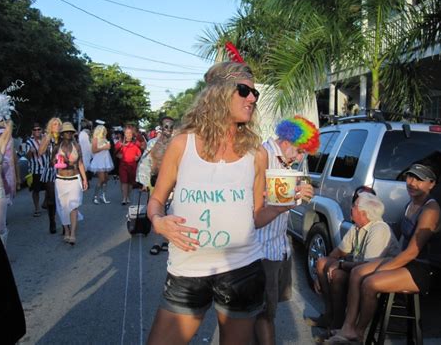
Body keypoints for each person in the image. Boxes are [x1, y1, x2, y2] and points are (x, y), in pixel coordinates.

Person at [145, 61, 310, 344]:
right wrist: (159, 223)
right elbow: (156, 200)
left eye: (255, 94)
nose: (252, 99)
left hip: (242, 270)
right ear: (218, 93)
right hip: (188, 269)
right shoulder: (182, 145)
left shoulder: (256, 153)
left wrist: (286, 203)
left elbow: (256, 216)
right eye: (244, 90)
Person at [326, 162, 441, 344]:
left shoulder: (430, 210)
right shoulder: (410, 205)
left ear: (431, 184)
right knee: (358, 272)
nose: (412, 183)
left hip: (423, 268)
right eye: (410, 177)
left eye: (419, 180)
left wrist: (384, 268)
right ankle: (347, 327)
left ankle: (359, 332)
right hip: (407, 262)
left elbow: (412, 252)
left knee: (370, 282)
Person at [254, 116, 317, 345]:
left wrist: (296, 192)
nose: (300, 158)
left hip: (278, 247)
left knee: (268, 309)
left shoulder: (284, 163)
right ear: (286, 140)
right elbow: (249, 196)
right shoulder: (263, 155)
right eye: (299, 151)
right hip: (261, 248)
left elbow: (279, 200)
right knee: (264, 313)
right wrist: (288, 195)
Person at [309, 189, 399, 333]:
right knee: (321, 262)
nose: (351, 207)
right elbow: (338, 252)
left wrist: (340, 265)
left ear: (364, 213)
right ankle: (329, 315)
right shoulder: (357, 227)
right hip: (358, 270)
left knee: (337, 275)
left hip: (374, 274)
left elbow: (368, 266)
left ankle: (338, 323)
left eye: (355, 205)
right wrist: (322, 273)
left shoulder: (379, 229)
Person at [136, 116, 175, 255]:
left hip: (174, 182)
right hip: (155, 181)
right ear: (161, 127)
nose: (168, 129)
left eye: (171, 126)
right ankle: (156, 242)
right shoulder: (152, 143)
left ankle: (166, 240)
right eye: (166, 126)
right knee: (157, 211)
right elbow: (145, 162)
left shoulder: (177, 144)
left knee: (170, 211)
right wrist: (144, 182)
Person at [53, 122, 88, 245]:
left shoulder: (77, 146)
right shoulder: (57, 146)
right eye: (66, 132)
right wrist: (59, 161)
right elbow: (51, 162)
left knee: (74, 206)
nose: (69, 133)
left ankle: (72, 233)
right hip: (60, 180)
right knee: (63, 208)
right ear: (62, 134)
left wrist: (84, 179)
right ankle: (66, 230)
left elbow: (80, 163)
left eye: (70, 132)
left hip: (74, 179)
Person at [38, 117, 62, 234]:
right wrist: (47, 140)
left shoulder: (63, 138)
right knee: (52, 198)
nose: (56, 126)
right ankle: (52, 222)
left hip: (63, 171)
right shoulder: (47, 137)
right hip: (50, 170)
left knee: (63, 199)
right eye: (54, 124)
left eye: (58, 124)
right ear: (50, 127)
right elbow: (40, 152)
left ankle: (65, 224)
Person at [114, 125, 143, 205]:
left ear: (132, 134)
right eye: (127, 133)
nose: (128, 135)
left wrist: (138, 157)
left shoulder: (136, 143)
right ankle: (124, 198)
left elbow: (140, 152)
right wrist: (118, 155)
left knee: (130, 183)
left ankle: (128, 196)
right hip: (123, 165)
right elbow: (115, 153)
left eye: (130, 133)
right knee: (124, 182)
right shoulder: (120, 143)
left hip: (133, 165)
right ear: (124, 134)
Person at [25, 123, 46, 217]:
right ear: (32, 132)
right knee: (36, 190)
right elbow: (27, 157)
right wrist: (30, 151)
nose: (37, 131)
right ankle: (37, 208)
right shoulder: (29, 142)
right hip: (35, 170)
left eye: (39, 129)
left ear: (42, 130)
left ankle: (46, 202)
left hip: (46, 169)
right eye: (35, 129)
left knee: (49, 188)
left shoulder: (46, 140)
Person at [89, 124, 113, 204]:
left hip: (106, 160)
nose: (104, 132)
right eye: (102, 131)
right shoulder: (95, 139)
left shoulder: (105, 139)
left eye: (104, 131)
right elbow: (94, 150)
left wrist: (107, 147)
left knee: (106, 179)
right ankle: (95, 196)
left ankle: (103, 196)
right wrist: (104, 147)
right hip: (99, 161)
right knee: (101, 179)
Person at [78, 119, 93, 185]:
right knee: (85, 164)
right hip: (87, 151)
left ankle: (84, 181)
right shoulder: (88, 133)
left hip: (84, 151)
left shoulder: (82, 134)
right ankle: (86, 180)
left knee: (84, 164)